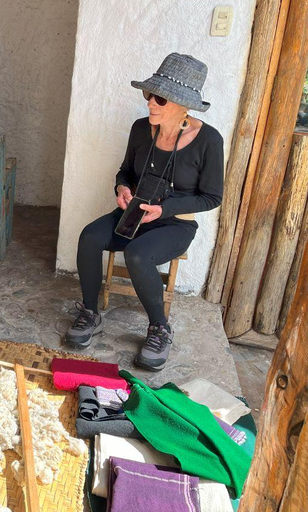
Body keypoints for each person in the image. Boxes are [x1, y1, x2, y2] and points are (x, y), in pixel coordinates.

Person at [66, 53, 224, 372]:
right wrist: (121, 189)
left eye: (160, 98)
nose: (150, 102)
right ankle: (90, 312)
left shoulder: (209, 140)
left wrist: (165, 208)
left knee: (138, 254)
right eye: (149, 94)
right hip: (134, 214)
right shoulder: (141, 128)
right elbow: (125, 171)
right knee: (89, 237)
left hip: (175, 225)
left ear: (183, 105)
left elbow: (211, 197)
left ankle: (160, 329)